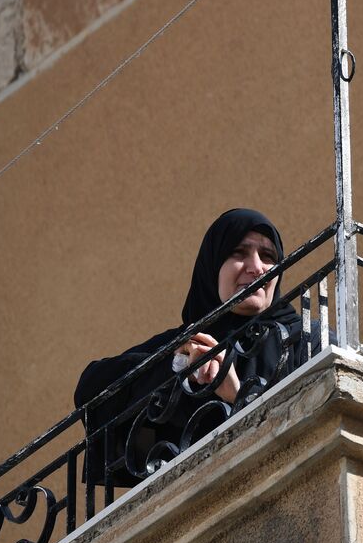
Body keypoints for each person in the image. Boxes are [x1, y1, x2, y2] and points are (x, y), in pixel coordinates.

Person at [74, 208, 306, 487]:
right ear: (212, 267)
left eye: (268, 257)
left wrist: (237, 395)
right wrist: (177, 367)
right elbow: (92, 392)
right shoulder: (188, 341)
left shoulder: (303, 338)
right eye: (239, 253)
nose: (256, 267)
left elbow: (311, 427)